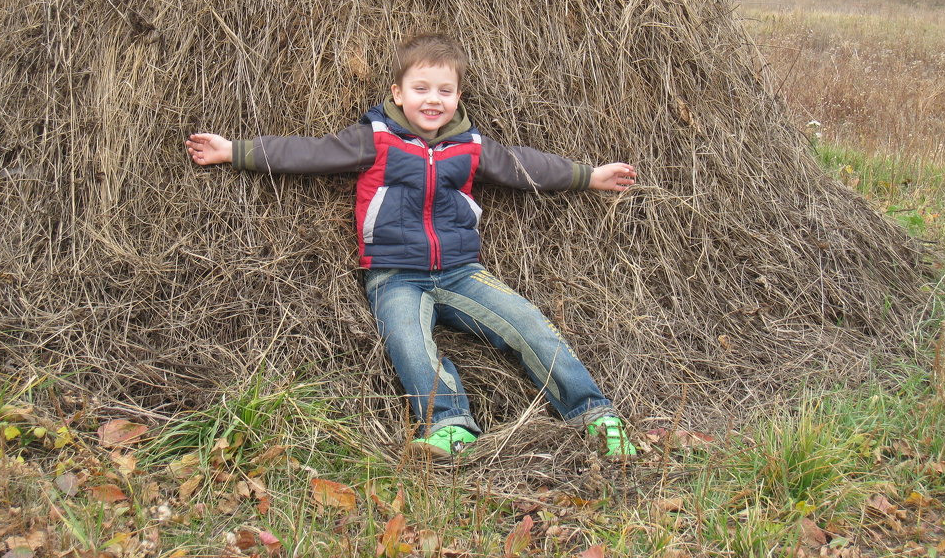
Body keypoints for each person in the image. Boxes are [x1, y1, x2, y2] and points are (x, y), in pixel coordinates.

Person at [186, 34, 637, 458]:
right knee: (409, 342)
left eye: (445, 90)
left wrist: (589, 176)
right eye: (421, 88)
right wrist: (233, 151)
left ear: (458, 97)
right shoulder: (375, 137)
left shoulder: (471, 146)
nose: (433, 99)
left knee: (530, 323)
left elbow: (525, 167)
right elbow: (308, 152)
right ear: (398, 94)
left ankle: (594, 415)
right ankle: (450, 425)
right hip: (394, 275)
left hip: (462, 272)